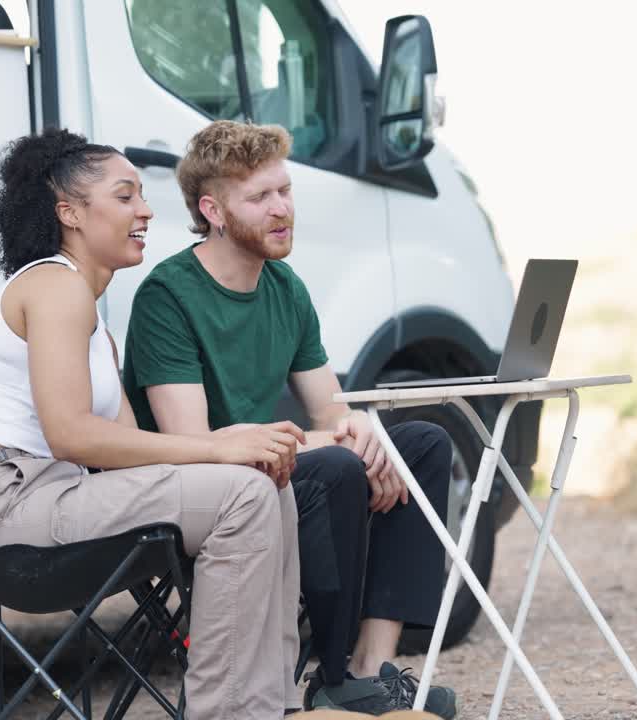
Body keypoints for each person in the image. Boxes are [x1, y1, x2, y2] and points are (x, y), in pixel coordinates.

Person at [0, 128, 304, 719]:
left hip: (54, 497)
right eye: (126, 195)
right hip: (2, 510)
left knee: (267, 487)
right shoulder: (54, 286)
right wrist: (219, 451)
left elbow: (132, 451)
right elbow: (72, 437)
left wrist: (233, 446)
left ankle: (278, 705)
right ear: (71, 214)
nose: (147, 210)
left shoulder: (94, 328)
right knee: (240, 490)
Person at [121, 120, 458, 718]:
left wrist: (361, 431)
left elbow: (329, 406)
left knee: (421, 444)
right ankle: (330, 676)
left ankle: (369, 671)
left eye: (285, 191)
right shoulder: (168, 296)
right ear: (213, 210)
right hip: (212, 490)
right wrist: (341, 442)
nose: (282, 210)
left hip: (277, 473)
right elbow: (192, 442)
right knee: (335, 466)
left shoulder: (285, 286)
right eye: (260, 197)